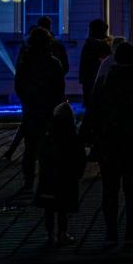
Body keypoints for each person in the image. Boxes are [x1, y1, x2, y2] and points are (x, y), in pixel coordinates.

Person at [91, 40, 133, 248]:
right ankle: (131, 233)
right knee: (132, 189)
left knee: (109, 190)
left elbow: (95, 111)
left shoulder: (105, 82)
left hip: (109, 143)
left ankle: (111, 233)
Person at [13, 27, 66, 192]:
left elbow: (18, 86)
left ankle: (29, 181)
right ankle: (46, 181)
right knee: (48, 147)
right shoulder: (54, 63)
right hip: (49, 110)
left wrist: (27, 99)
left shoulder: (25, 62)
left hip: (32, 108)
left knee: (30, 147)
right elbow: (60, 88)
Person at [34, 100, 85, 248]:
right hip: (66, 177)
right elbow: (80, 156)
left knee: (49, 208)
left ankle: (50, 235)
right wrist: (79, 172)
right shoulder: (72, 136)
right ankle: (63, 233)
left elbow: (41, 154)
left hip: (49, 178)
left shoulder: (48, 136)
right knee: (63, 208)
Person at [78, 19, 112, 104]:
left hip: (90, 78)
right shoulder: (105, 45)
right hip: (99, 79)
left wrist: (82, 78)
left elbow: (84, 64)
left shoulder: (90, 44)